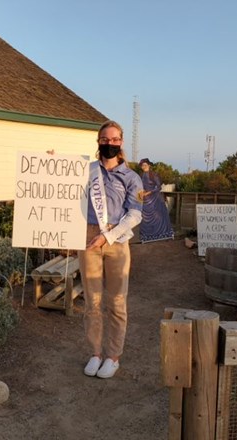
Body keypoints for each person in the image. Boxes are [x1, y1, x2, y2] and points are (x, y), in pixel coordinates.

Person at [79, 120, 143, 379]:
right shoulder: (87, 170)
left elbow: (135, 214)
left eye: (114, 139)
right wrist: (51, 164)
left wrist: (108, 236)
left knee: (116, 302)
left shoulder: (131, 177)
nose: (109, 144)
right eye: (105, 139)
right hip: (87, 238)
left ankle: (113, 356)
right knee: (92, 301)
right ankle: (95, 353)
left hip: (116, 241)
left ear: (121, 142)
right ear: (98, 142)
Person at [138, 158, 174, 243]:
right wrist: (141, 192)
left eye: (145, 165)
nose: (144, 167)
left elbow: (159, 187)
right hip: (146, 200)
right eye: (142, 165)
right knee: (145, 217)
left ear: (149, 165)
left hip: (155, 199)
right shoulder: (141, 175)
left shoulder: (153, 175)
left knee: (159, 217)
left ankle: (162, 234)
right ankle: (147, 236)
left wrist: (149, 192)